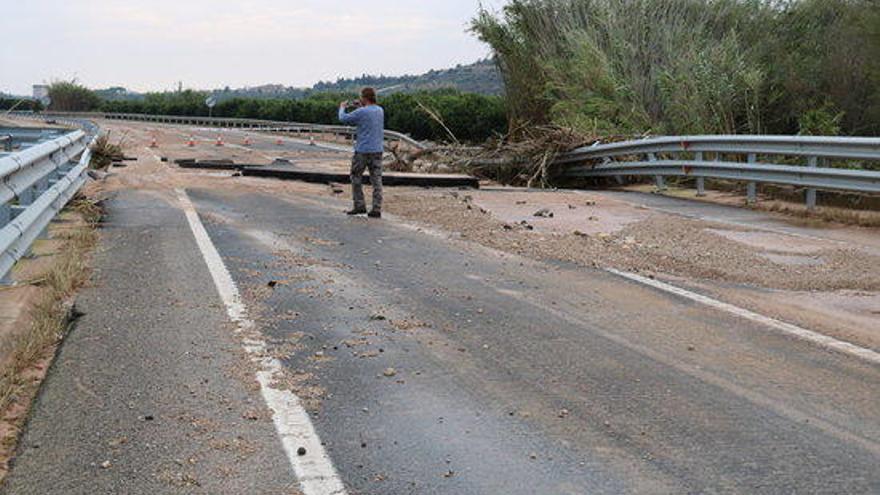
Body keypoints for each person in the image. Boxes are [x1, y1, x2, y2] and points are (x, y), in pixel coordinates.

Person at [339, 87, 385, 218]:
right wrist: (361, 107)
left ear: (364, 98)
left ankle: (359, 205)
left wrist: (342, 107)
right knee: (376, 179)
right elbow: (368, 115)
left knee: (356, 177)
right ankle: (376, 208)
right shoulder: (380, 110)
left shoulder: (361, 112)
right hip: (377, 150)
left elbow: (343, 118)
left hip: (362, 150)